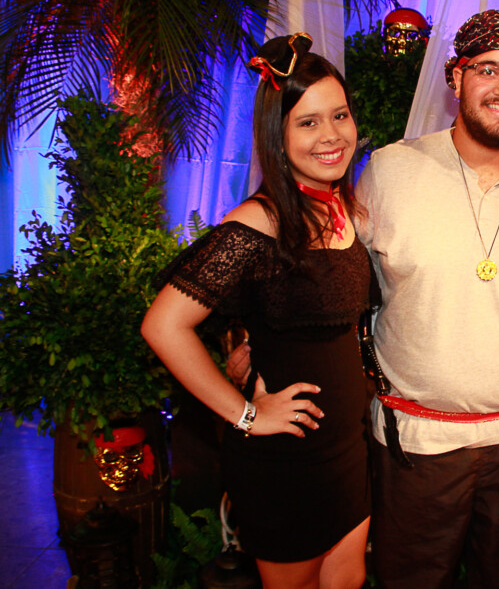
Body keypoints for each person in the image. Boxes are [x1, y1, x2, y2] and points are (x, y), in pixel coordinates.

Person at [142, 33, 371, 589]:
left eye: (339, 115)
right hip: (285, 462)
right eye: (308, 122)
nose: (331, 134)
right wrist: (246, 414)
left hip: (347, 453)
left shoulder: (339, 208)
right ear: (277, 135)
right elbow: (163, 325)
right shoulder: (258, 222)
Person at [358, 10, 499, 588]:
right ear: (455, 78)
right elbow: (341, 281)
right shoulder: (390, 169)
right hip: (415, 445)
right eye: (489, 69)